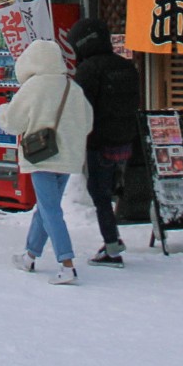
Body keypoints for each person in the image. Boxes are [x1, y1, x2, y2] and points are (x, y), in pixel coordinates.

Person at [0, 37, 94, 285]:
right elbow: (87, 123)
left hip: (41, 156)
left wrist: (1, 111)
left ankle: (67, 263)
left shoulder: (33, 87)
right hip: (68, 158)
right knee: (47, 207)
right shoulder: (73, 88)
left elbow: (13, 122)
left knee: (50, 209)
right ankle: (29, 256)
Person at [65, 17, 141, 267]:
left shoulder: (88, 69)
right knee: (111, 189)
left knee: (99, 194)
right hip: (126, 140)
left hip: (99, 141)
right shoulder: (126, 66)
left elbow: (80, 108)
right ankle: (113, 238)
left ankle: (112, 246)